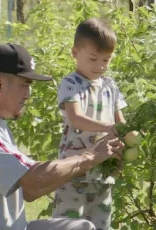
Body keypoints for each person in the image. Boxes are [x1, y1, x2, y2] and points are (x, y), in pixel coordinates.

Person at [0, 43, 124, 230]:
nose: (28, 94)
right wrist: (88, 157)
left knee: (81, 227)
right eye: (25, 84)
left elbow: (30, 191)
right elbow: (33, 180)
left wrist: (88, 165)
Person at [52, 18, 127, 230]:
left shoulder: (110, 85)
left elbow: (120, 121)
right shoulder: (70, 84)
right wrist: (107, 127)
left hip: (104, 170)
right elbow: (75, 118)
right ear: (75, 53)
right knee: (68, 224)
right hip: (74, 169)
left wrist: (127, 139)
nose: (100, 66)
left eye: (106, 60)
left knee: (101, 224)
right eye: (93, 59)